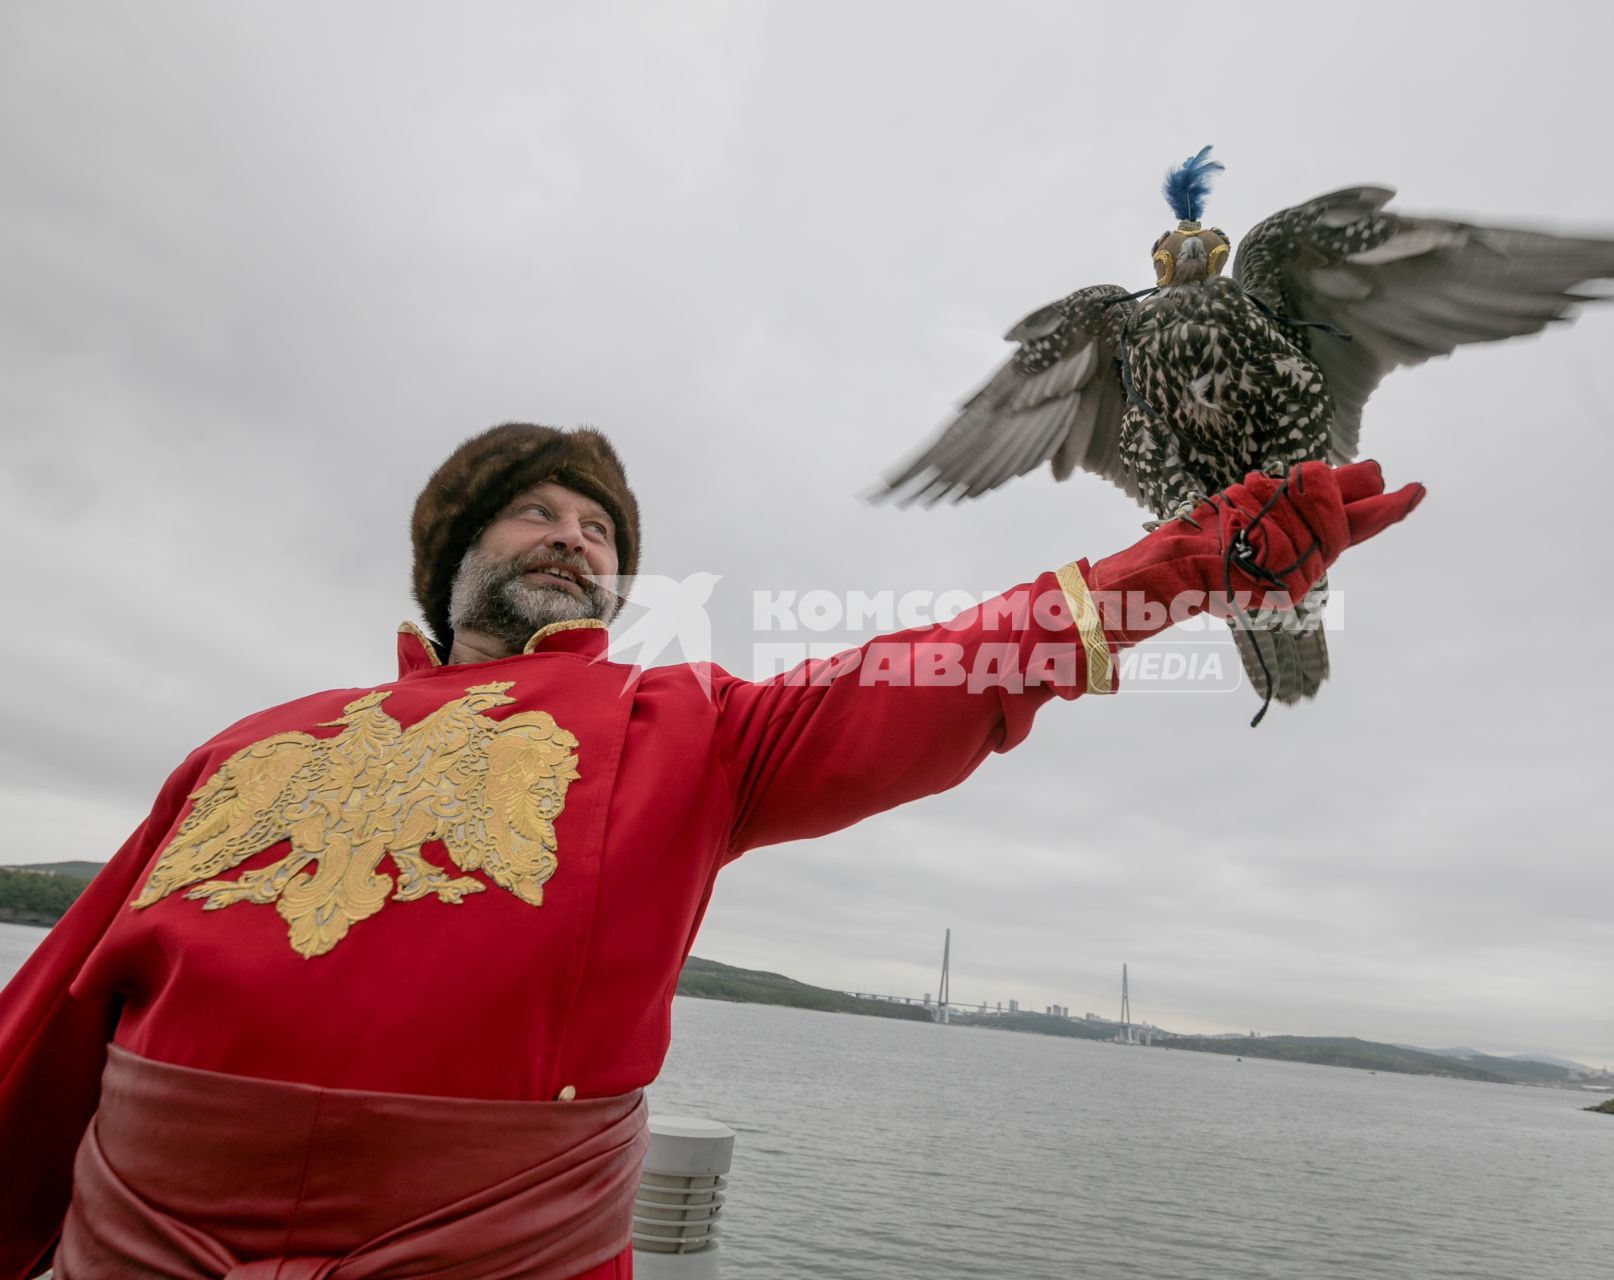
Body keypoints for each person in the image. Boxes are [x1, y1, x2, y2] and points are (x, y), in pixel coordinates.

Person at [0, 423, 1423, 1279]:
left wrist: (1178, 565)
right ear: (447, 560)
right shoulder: (256, 743)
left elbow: (937, 673)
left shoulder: (683, 726)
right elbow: (48, 1029)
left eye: (599, 528)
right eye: (535, 510)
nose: (572, 535)